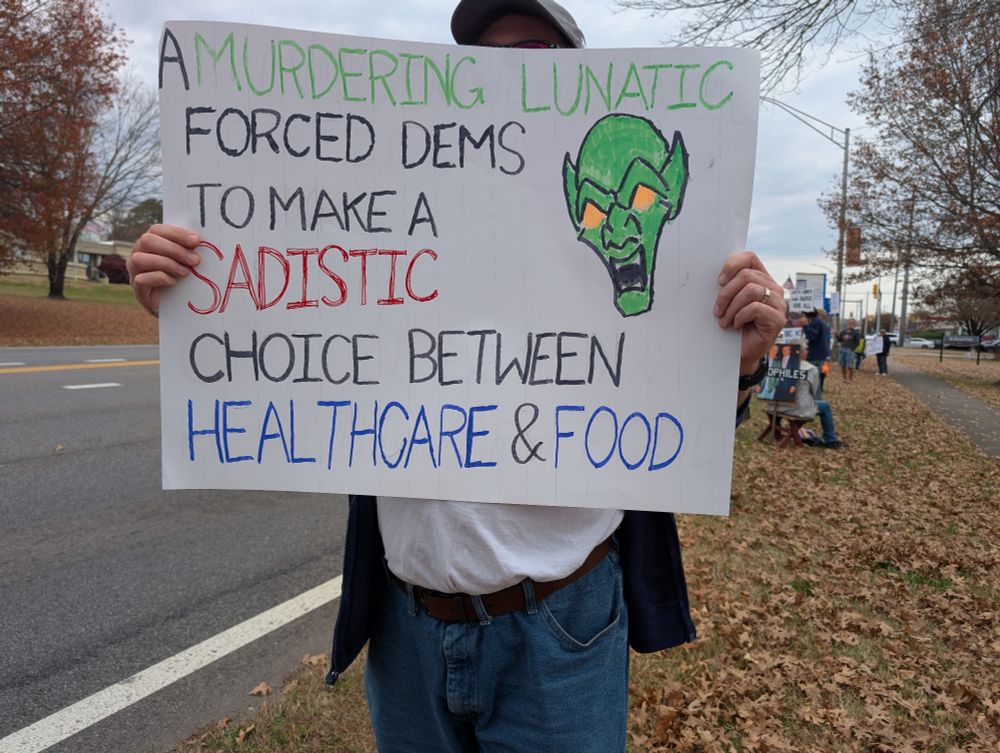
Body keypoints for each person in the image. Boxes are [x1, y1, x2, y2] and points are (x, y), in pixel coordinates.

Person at [127, 3, 787, 750]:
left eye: (532, 56)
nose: (506, 75)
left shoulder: (673, 249)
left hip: (561, 629)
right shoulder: (401, 205)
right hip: (408, 629)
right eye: (485, 61)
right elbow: (307, 330)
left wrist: (739, 363)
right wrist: (199, 302)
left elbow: (676, 424)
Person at [766, 340, 846, 449]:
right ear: (801, 351)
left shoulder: (775, 364)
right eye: (806, 349)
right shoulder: (810, 369)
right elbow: (814, 392)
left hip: (774, 405)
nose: (808, 351)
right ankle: (830, 439)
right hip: (797, 409)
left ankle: (777, 432)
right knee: (825, 406)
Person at [803, 308, 830, 395]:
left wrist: (805, 326)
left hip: (815, 355)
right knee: (819, 376)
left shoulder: (816, 322)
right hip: (822, 354)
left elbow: (812, 336)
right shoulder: (822, 323)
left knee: (815, 378)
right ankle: (818, 394)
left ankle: (817, 399)